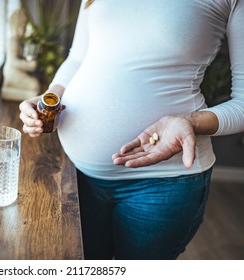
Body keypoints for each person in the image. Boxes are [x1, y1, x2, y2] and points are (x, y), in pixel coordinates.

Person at [19, 0, 244, 260]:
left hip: (161, 185)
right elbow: (78, 58)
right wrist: (50, 99)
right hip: (77, 175)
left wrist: (190, 121)